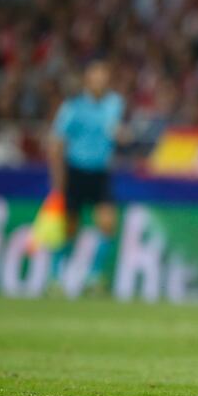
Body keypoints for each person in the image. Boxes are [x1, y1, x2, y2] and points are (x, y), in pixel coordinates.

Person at [48, 60, 125, 282]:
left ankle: (94, 276)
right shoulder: (73, 106)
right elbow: (57, 142)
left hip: (100, 172)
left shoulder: (115, 103)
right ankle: (55, 276)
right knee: (70, 228)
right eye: (95, 74)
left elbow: (115, 132)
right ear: (87, 79)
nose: (100, 79)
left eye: (103, 74)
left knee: (108, 224)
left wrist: (122, 136)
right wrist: (58, 181)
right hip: (76, 171)